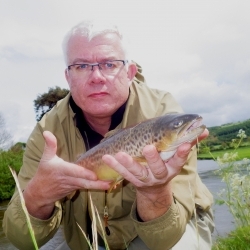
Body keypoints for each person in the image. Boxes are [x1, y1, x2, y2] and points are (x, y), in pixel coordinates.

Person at [3, 20, 214, 250]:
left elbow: (164, 239)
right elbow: (20, 240)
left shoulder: (163, 113)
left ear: (130, 72)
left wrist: (154, 190)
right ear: (68, 77)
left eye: (109, 64)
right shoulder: (47, 131)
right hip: (90, 237)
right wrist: (37, 196)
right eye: (82, 66)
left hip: (171, 225)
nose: (96, 77)